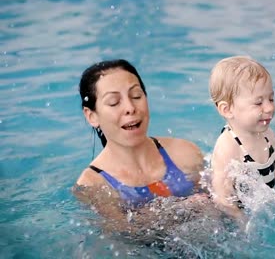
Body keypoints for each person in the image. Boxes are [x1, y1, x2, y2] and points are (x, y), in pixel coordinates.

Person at [73, 59, 206, 233]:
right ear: (92, 116)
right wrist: (180, 209)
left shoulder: (185, 153)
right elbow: (125, 236)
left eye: (136, 96)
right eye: (114, 102)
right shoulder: (92, 185)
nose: (130, 107)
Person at [209, 56, 275, 219]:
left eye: (271, 99)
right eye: (258, 103)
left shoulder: (268, 135)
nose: (269, 108)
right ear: (227, 110)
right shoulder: (229, 147)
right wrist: (241, 222)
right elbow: (222, 199)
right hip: (234, 215)